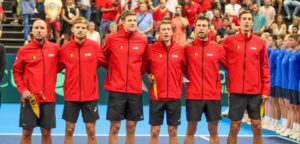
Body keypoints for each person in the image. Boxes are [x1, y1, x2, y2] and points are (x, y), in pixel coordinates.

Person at [221, 11, 270, 144]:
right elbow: (215, 52)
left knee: (257, 126)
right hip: (236, 92)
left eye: (249, 19)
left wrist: (265, 90)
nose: (247, 21)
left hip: (255, 92)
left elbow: (264, 67)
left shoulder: (260, 42)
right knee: (234, 126)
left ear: (253, 23)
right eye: (244, 19)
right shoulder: (230, 41)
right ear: (239, 22)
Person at [58, 17, 107, 144]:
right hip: (71, 96)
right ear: (73, 29)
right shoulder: (64, 48)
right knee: (69, 130)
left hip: (90, 96)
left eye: (83, 28)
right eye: (78, 27)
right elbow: (55, 68)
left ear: (87, 30)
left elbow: (108, 64)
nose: (80, 30)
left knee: (91, 130)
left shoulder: (95, 47)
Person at [103, 10, 148, 144]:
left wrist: (137, 74)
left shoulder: (142, 40)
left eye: (134, 20)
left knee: (131, 127)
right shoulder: (112, 38)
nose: (133, 23)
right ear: (122, 22)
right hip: (117, 89)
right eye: (129, 20)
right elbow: (102, 56)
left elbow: (145, 63)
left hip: (135, 89)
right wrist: (114, 69)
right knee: (115, 127)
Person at [13, 19, 59, 144]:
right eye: (36, 28)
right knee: (27, 132)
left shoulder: (55, 49)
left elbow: (61, 65)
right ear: (32, 31)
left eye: (42, 28)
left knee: (46, 132)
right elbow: (16, 72)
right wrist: (22, 90)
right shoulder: (23, 50)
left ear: (47, 31)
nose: (39, 30)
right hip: (30, 98)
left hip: (48, 98)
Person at [184, 16, 226, 144]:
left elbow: (231, 66)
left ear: (209, 29)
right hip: (193, 95)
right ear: (195, 28)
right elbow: (177, 67)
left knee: (213, 130)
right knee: (191, 129)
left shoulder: (217, 48)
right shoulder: (187, 48)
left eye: (204, 26)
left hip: (213, 96)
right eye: (199, 26)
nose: (201, 29)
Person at [142, 20, 185, 144]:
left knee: (173, 131)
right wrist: (149, 75)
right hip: (157, 97)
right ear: (158, 32)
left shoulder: (180, 49)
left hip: (174, 96)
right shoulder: (150, 49)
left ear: (172, 32)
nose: (166, 32)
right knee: (155, 131)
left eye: (168, 29)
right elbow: (144, 68)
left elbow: (186, 68)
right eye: (163, 29)